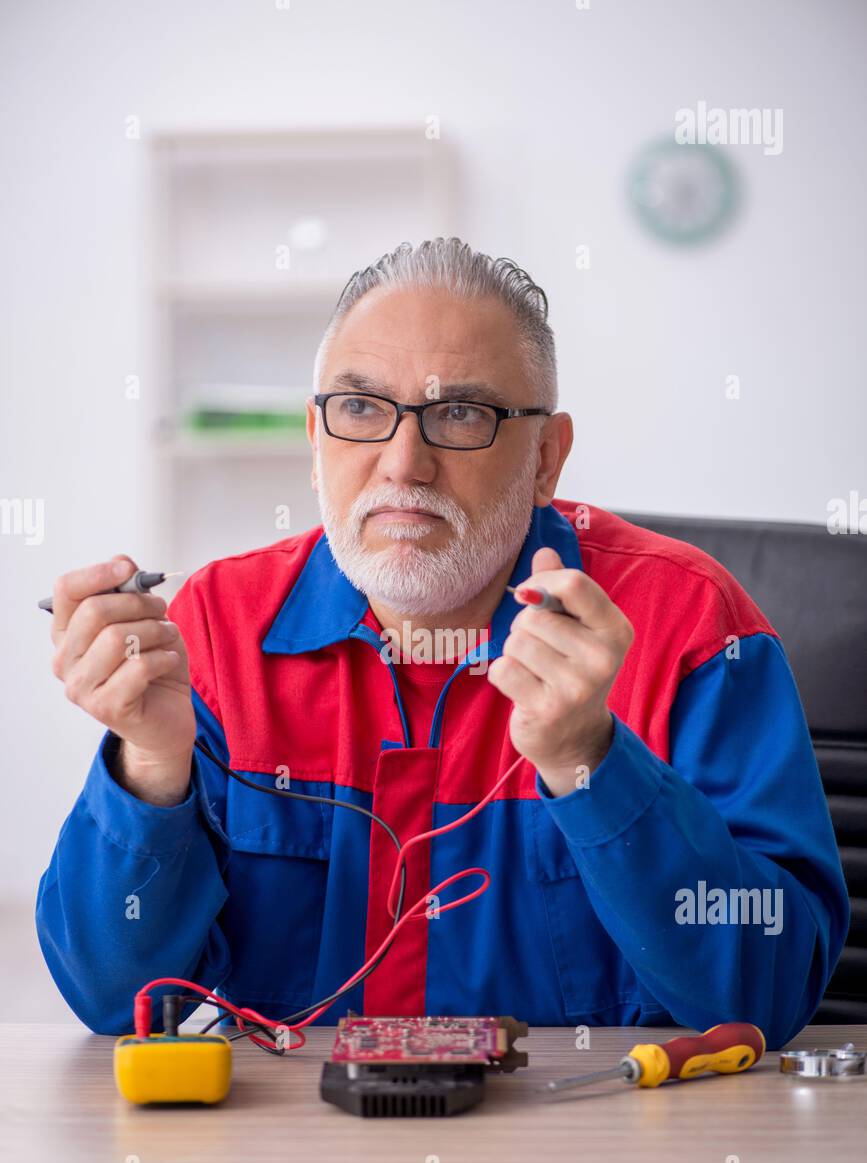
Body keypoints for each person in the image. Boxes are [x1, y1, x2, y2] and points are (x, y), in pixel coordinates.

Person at [36, 238, 848, 1047]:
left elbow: (765, 994)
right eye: (360, 408)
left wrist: (589, 764)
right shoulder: (219, 627)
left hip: (602, 1148)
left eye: (461, 413)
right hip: (295, 1155)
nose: (403, 463)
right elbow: (115, 999)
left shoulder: (689, 625)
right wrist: (149, 766)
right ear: (314, 443)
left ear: (544, 459)